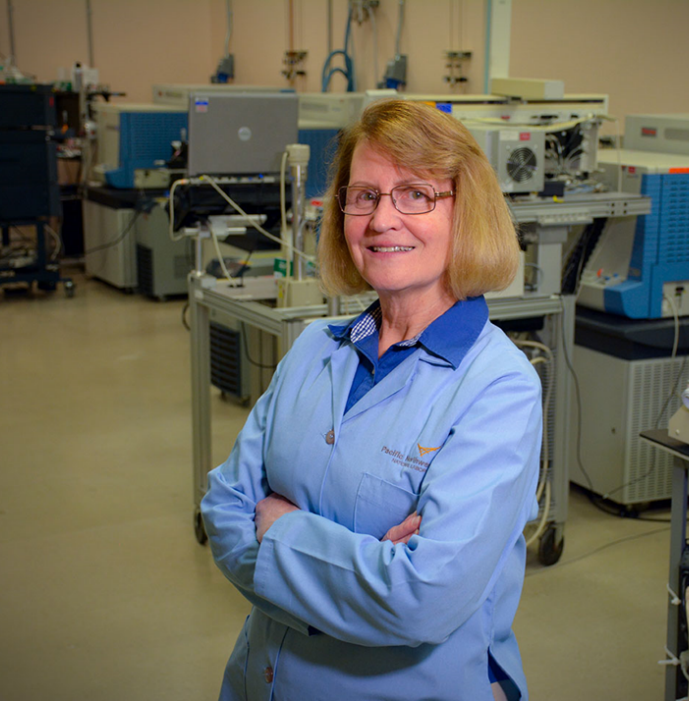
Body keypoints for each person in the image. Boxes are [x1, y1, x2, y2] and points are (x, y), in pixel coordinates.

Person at [201, 98, 543, 701]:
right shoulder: (313, 349)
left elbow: (420, 602)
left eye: (415, 194)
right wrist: (362, 567)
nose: (383, 219)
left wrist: (280, 529)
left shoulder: (498, 387)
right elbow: (225, 508)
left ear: (468, 214)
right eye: (364, 195)